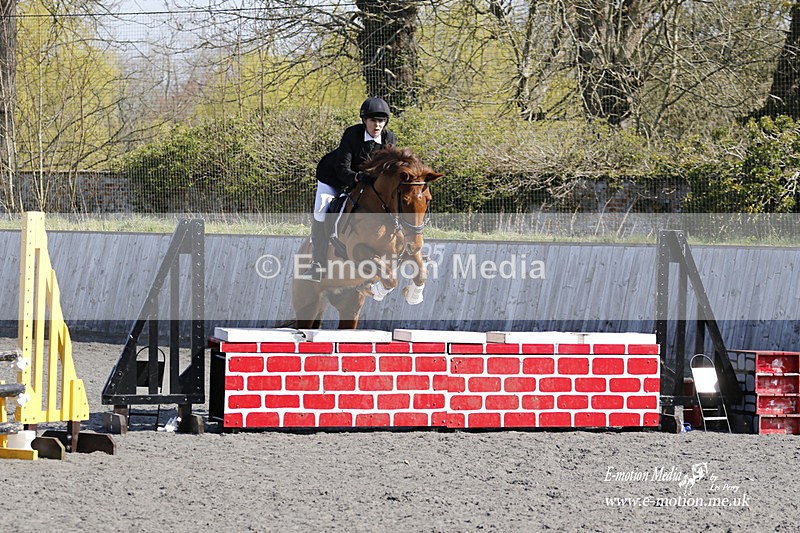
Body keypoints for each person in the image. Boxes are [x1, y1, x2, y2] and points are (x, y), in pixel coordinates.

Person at [306, 96, 396, 282]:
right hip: (333, 177)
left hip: (363, 181)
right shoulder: (352, 134)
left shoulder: (388, 138)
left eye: (381, 121)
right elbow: (342, 168)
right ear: (364, 121)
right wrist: (357, 178)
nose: (377, 125)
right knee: (321, 212)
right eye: (373, 120)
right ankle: (318, 262)